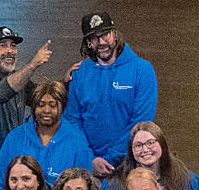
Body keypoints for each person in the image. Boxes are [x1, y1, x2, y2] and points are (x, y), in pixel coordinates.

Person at [63, 12, 158, 175]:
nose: (101, 42)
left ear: (114, 34)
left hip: (130, 165)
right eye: (94, 38)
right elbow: (73, 121)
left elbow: (141, 122)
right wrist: (89, 159)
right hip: (88, 167)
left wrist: (110, 159)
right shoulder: (79, 73)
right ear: (88, 42)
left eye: (105, 34)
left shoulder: (142, 70)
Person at [0, 80, 92, 187]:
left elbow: (83, 186)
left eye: (52, 105)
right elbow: (1, 182)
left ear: (63, 107)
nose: (46, 110)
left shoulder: (77, 141)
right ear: (33, 107)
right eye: (40, 105)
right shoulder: (14, 138)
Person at [0, 26, 52, 142]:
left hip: (12, 150)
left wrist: (67, 81)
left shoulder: (17, 78)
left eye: (13, 46)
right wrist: (32, 65)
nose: (10, 51)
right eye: (2, 46)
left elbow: (42, 96)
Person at [103, 121, 199, 190]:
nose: (145, 150)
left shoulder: (187, 179)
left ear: (162, 144)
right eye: (138, 145)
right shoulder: (115, 184)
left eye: (150, 143)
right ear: (131, 150)